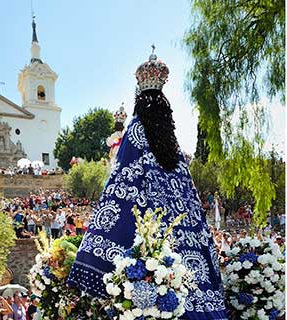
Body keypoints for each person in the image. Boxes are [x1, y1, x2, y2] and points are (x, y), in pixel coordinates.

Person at [67, 46, 227, 319]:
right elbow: (186, 189)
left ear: (140, 100)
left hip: (150, 222)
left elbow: (123, 180)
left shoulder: (138, 129)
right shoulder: (172, 142)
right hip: (185, 229)